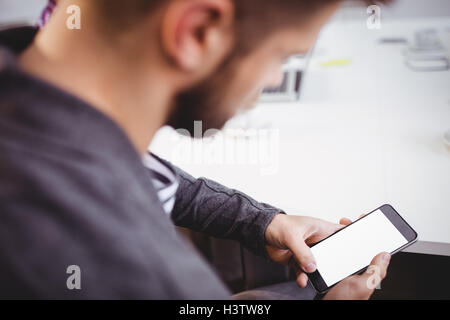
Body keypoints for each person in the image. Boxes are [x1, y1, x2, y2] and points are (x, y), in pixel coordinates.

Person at [0, 0, 391, 299]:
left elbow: (150, 176)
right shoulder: (137, 274)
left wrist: (262, 222)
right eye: (282, 56)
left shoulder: (33, 97)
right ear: (198, 30)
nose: (274, 78)